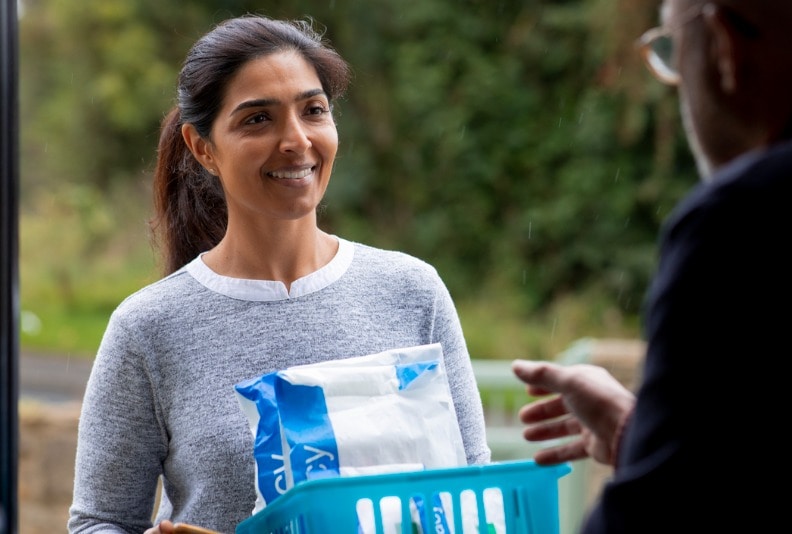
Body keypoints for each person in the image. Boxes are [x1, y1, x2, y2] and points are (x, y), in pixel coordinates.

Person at [513, 0, 792, 529]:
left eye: (672, 51)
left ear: (723, 47)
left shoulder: (754, 224)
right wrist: (646, 440)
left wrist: (657, 465)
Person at [67, 15, 491, 534]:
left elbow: (474, 494)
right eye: (257, 120)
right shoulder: (148, 329)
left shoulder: (412, 293)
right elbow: (99, 522)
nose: (296, 140)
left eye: (313, 111)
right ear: (203, 148)